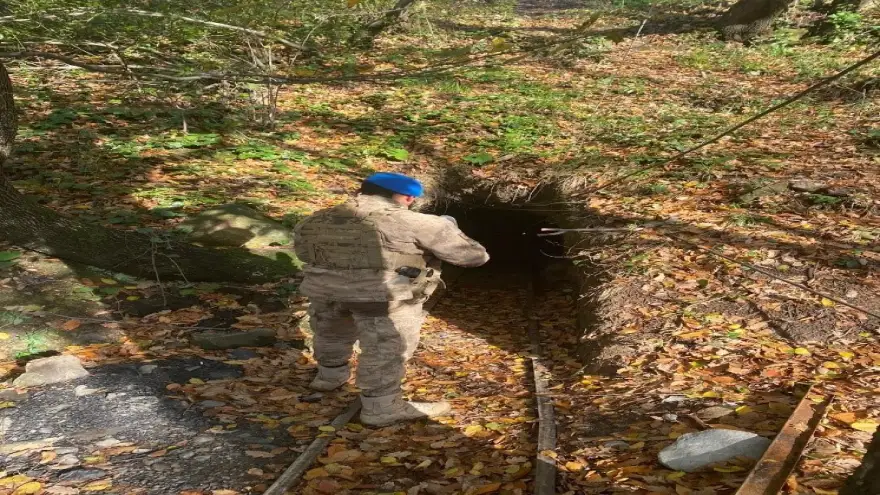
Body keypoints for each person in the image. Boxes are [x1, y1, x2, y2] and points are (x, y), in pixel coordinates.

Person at [293, 172, 490, 426]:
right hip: (381, 298)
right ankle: (381, 408)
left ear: (363, 191)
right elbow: (473, 257)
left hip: (324, 291)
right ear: (407, 197)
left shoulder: (314, 220)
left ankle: (329, 377)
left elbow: (303, 252)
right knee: (385, 348)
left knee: (331, 334)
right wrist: (448, 227)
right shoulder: (418, 222)